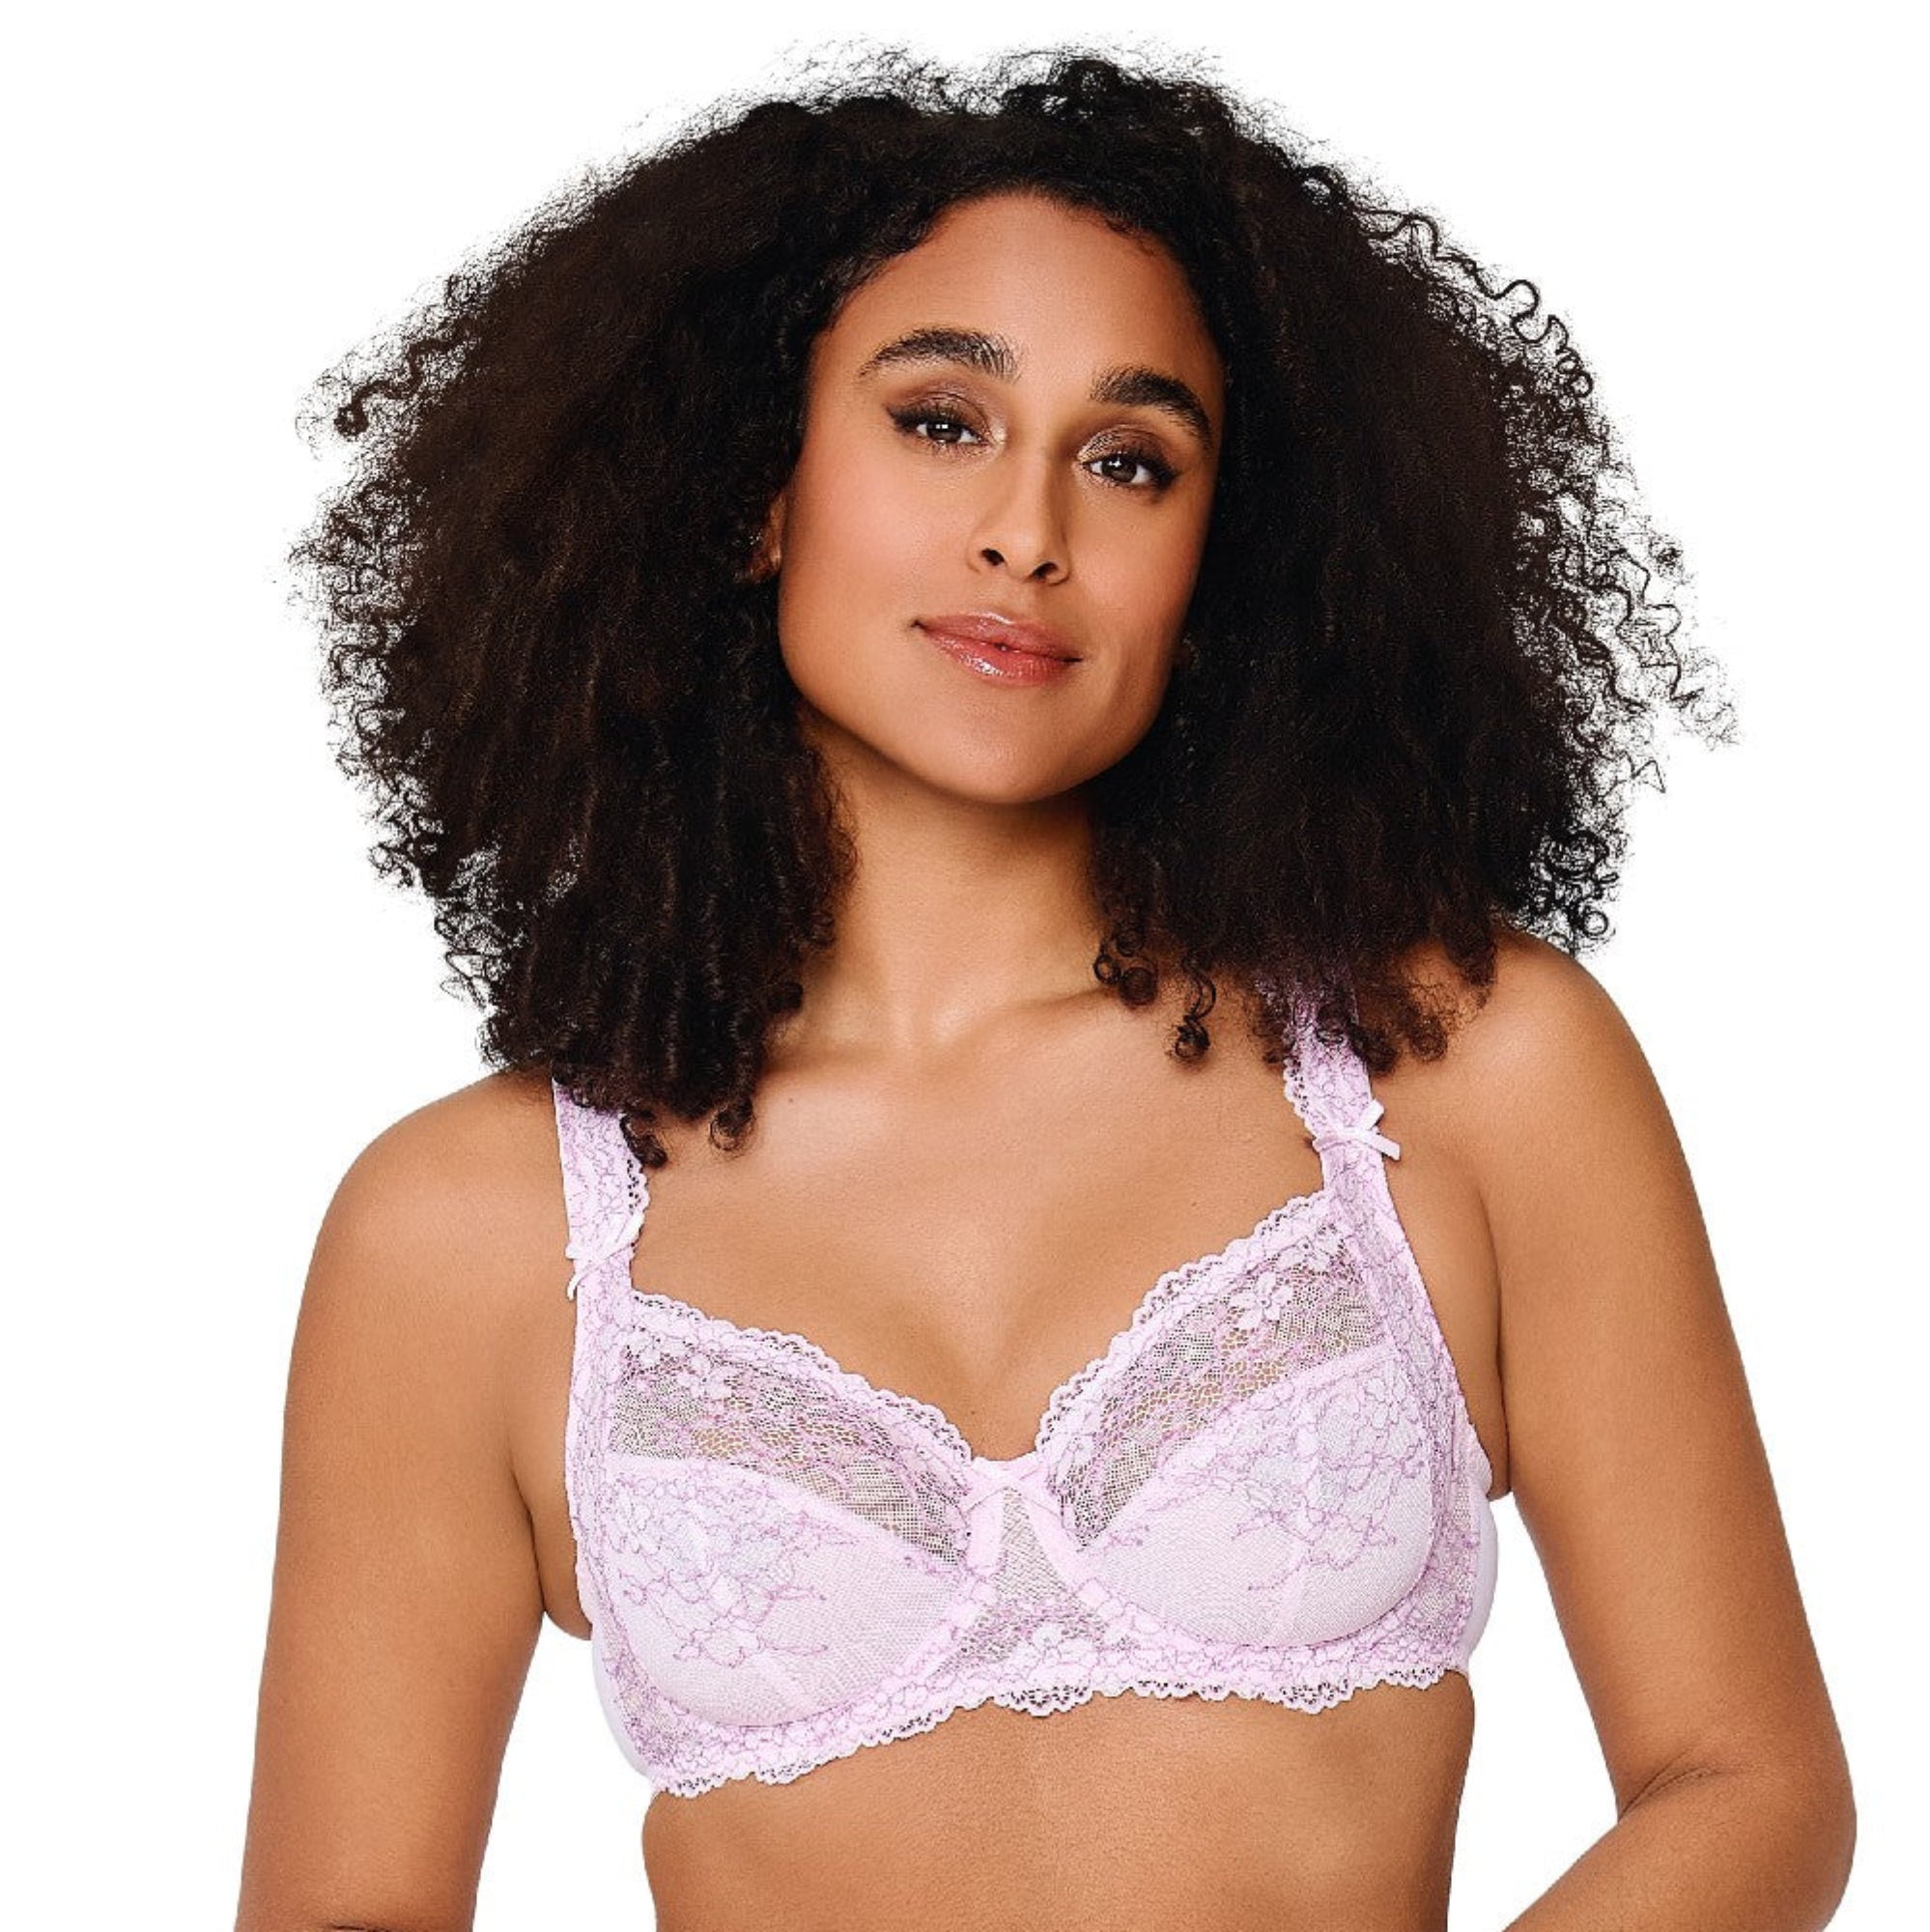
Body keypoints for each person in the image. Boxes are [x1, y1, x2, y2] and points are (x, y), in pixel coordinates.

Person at [235, 46, 1855, 1932]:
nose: (1028, 531)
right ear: (755, 487)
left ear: (1222, 556)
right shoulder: (469, 1230)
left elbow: (1749, 1789)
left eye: (1129, 459)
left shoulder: (1456, 1072)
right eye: (941, 421)